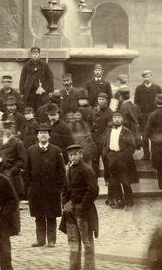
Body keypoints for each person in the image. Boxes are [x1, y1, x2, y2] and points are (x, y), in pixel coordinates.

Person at [23, 123, 65, 248]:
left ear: (49, 136)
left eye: (45, 133)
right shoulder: (31, 150)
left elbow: (61, 171)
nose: (43, 135)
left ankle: (51, 240)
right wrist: (29, 186)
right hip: (36, 189)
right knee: (39, 215)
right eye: (41, 133)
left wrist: (58, 187)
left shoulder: (56, 151)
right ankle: (40, 239)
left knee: (51, 215)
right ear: (37, 135)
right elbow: (26, 170)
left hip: (52, 189)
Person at [60, 142, 98, 270]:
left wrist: (82, 205)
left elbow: (93, 190)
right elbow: (65, 188)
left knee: (87, 242)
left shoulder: (87, 170)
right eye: (70, 155)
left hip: (84, 212)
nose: (73, 158)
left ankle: (90, 268)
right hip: (70, 212)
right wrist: (64, 202)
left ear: (81, 154)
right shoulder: (69, 169)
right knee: (73, 242)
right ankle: (74, 267)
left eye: (75, 154)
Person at [105, 110, 137, 209]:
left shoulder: (126, 131)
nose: (117, 119)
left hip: (122, 159)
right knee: (114, 182)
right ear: (112, 119)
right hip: (112, 157)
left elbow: (131, 147)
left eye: (119, 118)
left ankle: (129, 203)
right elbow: (106, 144)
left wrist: (123, 157)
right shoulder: (109, 131)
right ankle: (120, 202)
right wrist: (108, 155)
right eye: (115, 118)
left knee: (125, 182)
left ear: (122, 119)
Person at [134, 71, 162, 160]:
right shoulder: (139, 88)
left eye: (148, 76)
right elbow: (136, 102)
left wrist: (158, 113)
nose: (146, 78)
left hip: (155, 116)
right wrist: (140, 114)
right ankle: (146, 154)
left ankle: (155, 154)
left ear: (151, 77)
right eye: (144, 77)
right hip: (143, 117)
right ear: (142, 78)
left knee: (155, 135)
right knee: (145, 136)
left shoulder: (157, 88)